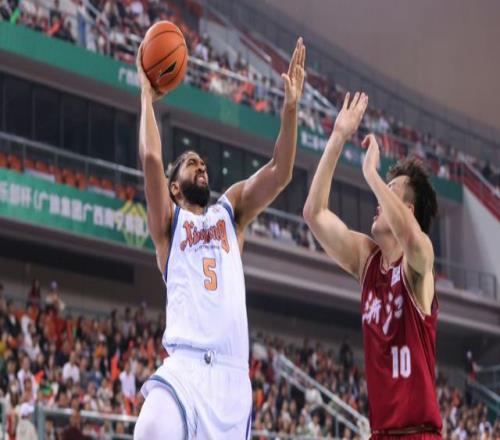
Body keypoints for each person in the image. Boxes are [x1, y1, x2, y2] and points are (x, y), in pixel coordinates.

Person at [133, 38, 306, 440]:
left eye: (204, 164)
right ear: (174, 187)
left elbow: (280, 171)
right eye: (191, 164)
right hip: (185, 367)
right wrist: (145, 94)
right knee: (151, 429)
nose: (201, 167)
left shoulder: (231, 211)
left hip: (231, 379)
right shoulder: (169, 224)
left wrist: (290, 109)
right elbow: (152, 159)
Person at [303, 92, 441, 438]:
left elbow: (412, 238)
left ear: (407, 211)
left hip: (419, 432)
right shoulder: (368, 260)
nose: (377, 201)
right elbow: (314, 214)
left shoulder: (419, 261)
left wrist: (371, 174)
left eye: (388, 193)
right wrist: (338, 137)